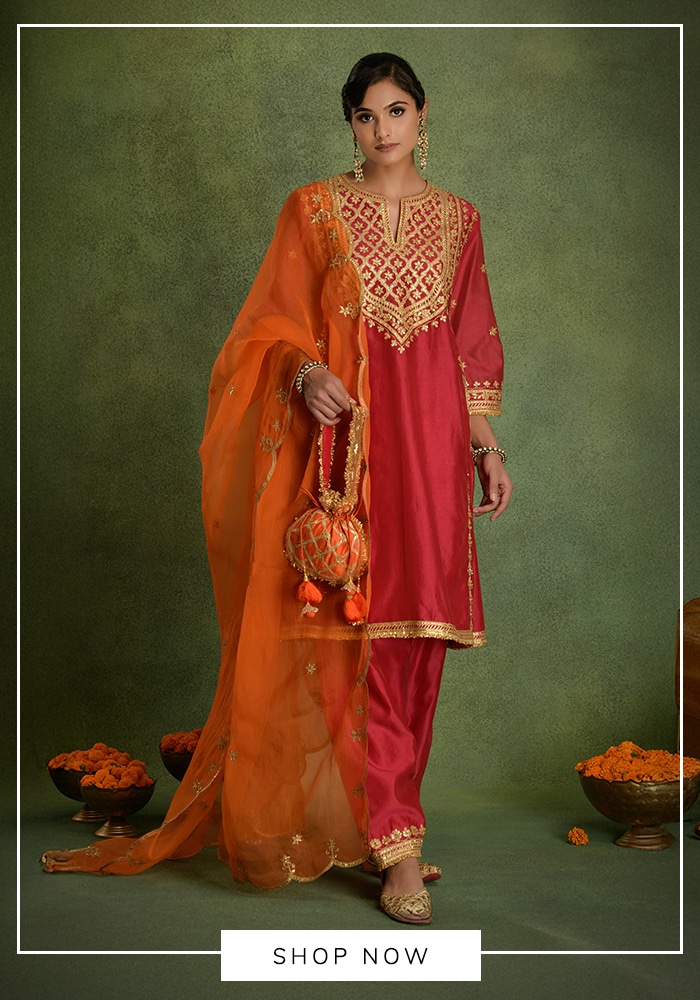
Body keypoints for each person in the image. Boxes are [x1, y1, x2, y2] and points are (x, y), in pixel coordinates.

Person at [41, 53, 512, 927]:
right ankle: (397, 845)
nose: (381, 130)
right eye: (365, 115)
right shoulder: (314, 209)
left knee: (418, 644)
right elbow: (266, 326)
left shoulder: (461, 220)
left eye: (396, 111)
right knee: (349, 639)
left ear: (423, 114)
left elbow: (471, 337)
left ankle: (385, 823)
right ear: (350, 125)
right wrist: (302, 374)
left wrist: (486, 445)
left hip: (433, 453)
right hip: (344, 458)